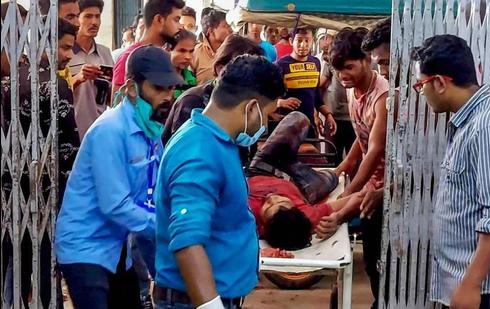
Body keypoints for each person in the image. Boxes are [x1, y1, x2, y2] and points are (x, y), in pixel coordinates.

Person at [55, 46, 183, 309]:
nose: (168, 97)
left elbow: (151, 202)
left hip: (118, 250)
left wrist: (161, 268)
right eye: (159, 88)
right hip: (86, 249)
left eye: (171, 89)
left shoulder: (151, 134)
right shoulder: (109, 131)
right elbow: (115, 205)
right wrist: (167, 229)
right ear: (132, 89)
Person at [154, 55, 285, 309]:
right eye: (267, 115)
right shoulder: (199, 152)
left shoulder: (215, 141)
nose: (265, 124)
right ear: (250, 108)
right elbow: (187, 240)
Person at [412, 34, 490, 309]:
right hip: (471, 286)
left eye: (421, 85)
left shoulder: (488, 128)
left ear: (440, 83)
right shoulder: (470, 122)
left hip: (488, 293)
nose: (421, 93)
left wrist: (471, 284)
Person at [1, 15, 81, 307]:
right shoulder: (57, 87)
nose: (68, 55)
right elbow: (69, 148)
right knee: (46, 262)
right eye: (63, 48)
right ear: (44, 44)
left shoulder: (9, 81)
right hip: (46, 191)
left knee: (15, 261)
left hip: (10, 190)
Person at [330, 27, 389, 308]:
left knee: (380, 257)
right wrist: (343, 166)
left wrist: (348, 192)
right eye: (338, 70)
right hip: (367, 184)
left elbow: (376, 150)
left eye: (349, 68)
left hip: (386, 190)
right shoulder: (353, 91)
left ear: (367, 60)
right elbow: (361, 135)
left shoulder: (384, 97)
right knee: (369, 256)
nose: (343, 76)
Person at [247, 112, 365, 251]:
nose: (271, 197)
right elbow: (362, 197)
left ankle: (289, 158)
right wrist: (339, 218)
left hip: (263, 168)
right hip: (301, 186)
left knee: (299, 119)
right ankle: (339, 169)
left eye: (268, 205)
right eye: (282, 200)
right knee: (332, 179)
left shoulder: (245, 215)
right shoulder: (307, 216)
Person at [162, 34, 264, 145]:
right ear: (220, 69)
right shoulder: (192, 101)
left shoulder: (246, 103)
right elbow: (184, 150)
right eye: (245, 72)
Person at [275, 26, 337, 138]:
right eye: (299, 41)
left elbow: (316, 96)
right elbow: (268, 98)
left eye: (307, 40)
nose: (303, 45)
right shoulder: (280, 65)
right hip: (286, 127)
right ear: (291, 41)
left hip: (309, 126)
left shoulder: (316, 63)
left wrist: (328, 115)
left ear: (312, 41)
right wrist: (281, 102)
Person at [112, 0, 185, 95]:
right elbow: (118, 103)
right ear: (159, 19)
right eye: (176, 20)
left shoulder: (163, 57)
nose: (180, 26)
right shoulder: (128, 58)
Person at [67, 0, 113, 140]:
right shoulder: (65, 53)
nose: (94, 22)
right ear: (76, 18)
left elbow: (112, 97)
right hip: (71, 133)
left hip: (99, 132)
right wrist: (78, 78)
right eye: (88, 16)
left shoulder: (105, 53)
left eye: (97, 16)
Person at [191, 10, 233, 85]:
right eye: (225, 26)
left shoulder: (233, 51)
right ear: (211, 30)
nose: (230, 30)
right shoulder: (196, 52)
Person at [170, 29, 197, 98]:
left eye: (191, 51)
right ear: (168, 49)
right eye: (182, 51)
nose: (188, 57)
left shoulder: (192, 78)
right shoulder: (157, 78)